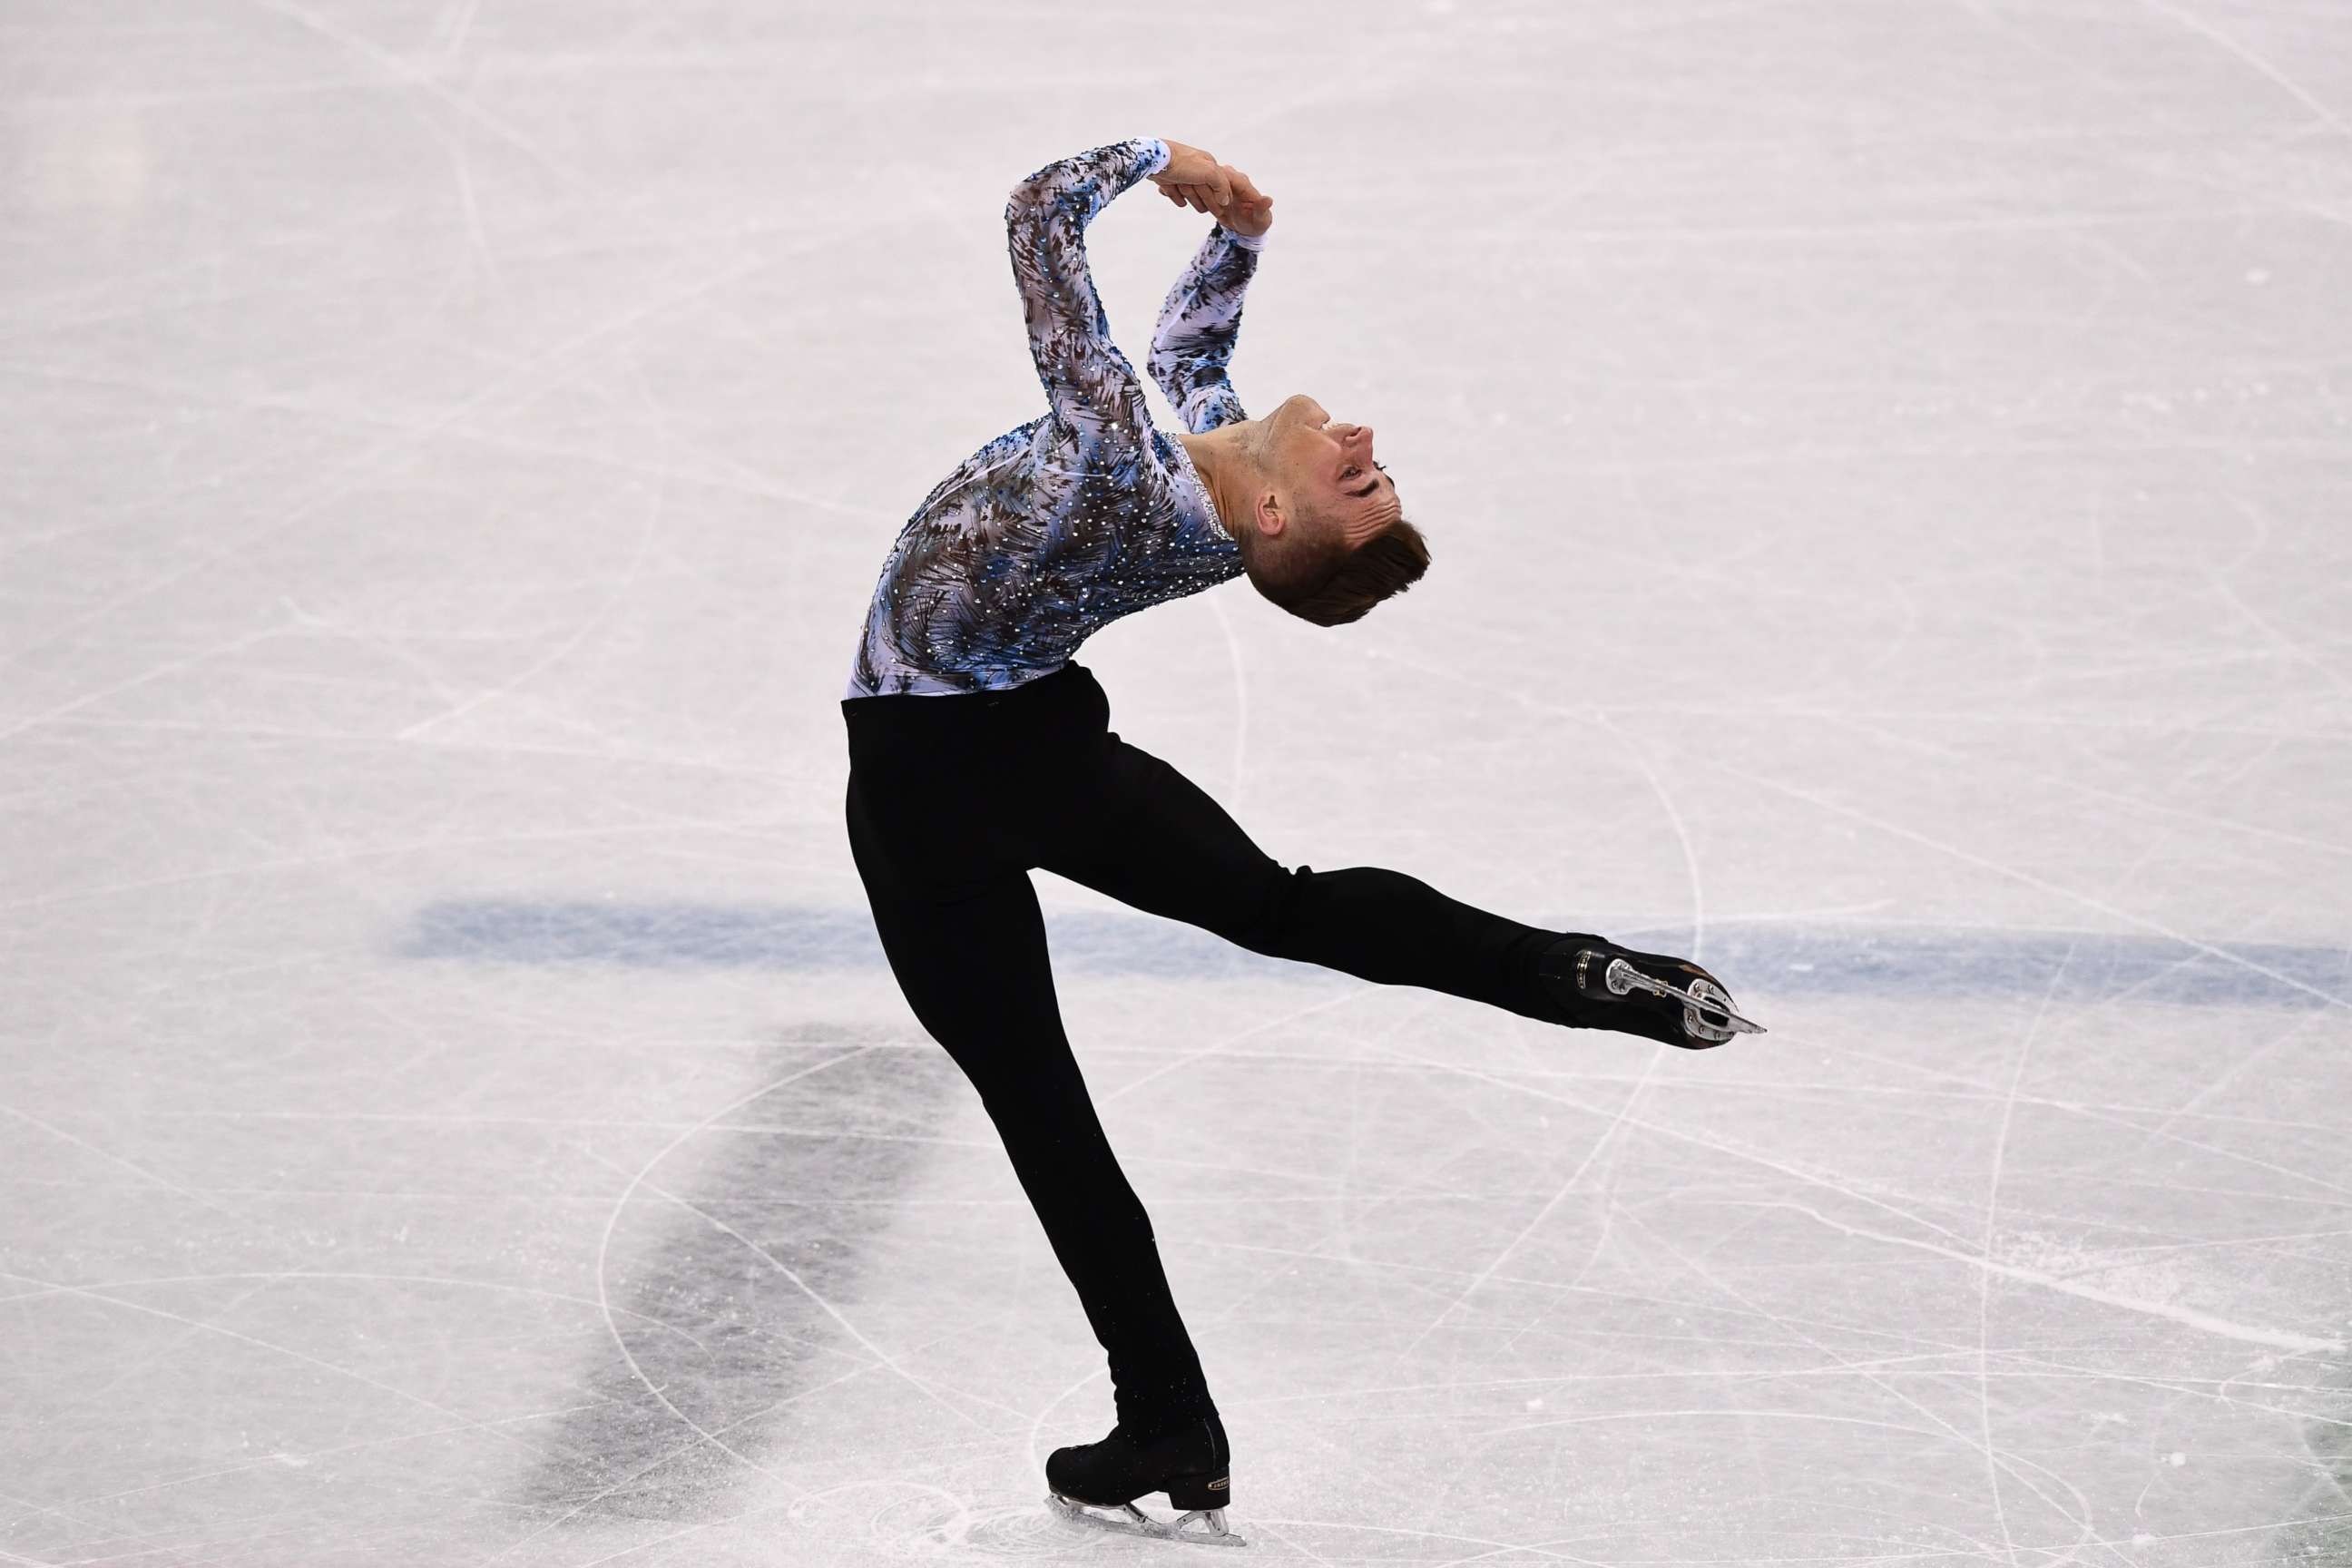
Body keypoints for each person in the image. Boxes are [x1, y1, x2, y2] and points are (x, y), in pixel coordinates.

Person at [840, 137, 1750, 1546]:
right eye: (1371, 478)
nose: (1364, 452)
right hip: (1047, 748)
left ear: (1273, 516)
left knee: (1043, 1109)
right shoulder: (1211, 481)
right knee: (1280, 905)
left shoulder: (1110, 453)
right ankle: (1578, 974)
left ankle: (1171, 1417)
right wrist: (1240, 237)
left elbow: (1037, 219)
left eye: (1355, 487)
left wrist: (1155, 161)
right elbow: (1192, 357)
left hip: (922, 780)